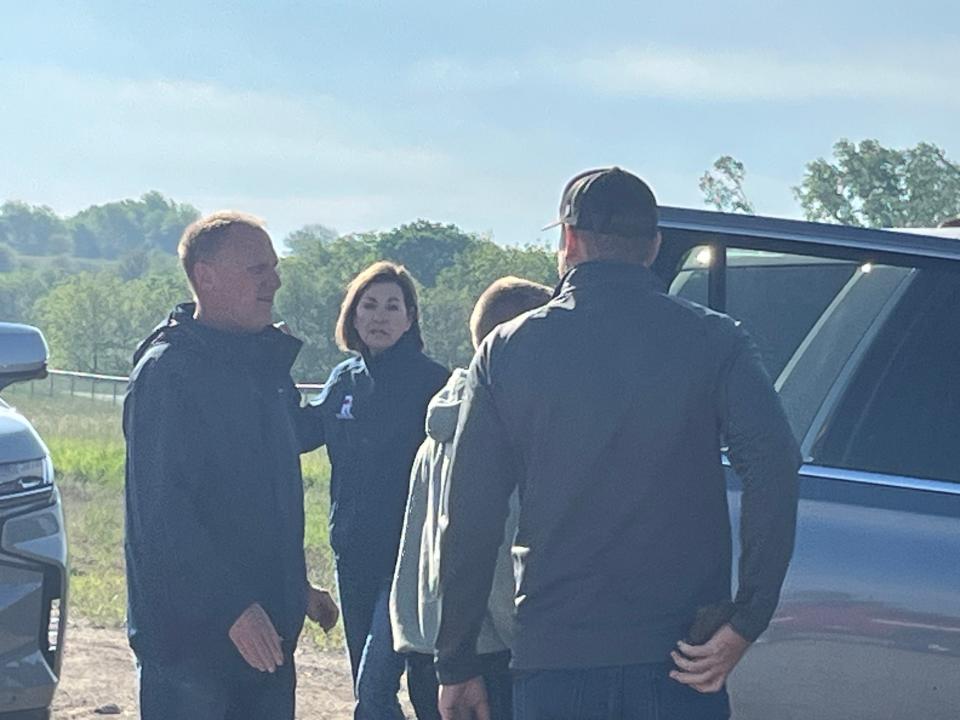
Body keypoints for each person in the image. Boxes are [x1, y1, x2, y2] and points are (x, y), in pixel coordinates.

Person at [435, 168, 801, 720]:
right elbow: (775, 465)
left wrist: (455, 659)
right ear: (653, 247)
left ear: (567, 240)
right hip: (682, 656)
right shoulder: (715, 339)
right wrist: (748, 616)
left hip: (556, 654)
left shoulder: (505, 352)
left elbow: (470, 514)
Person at [124, 211, 339, 720]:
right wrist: (231, 607)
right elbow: (162, 516)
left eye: (275, 267)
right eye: (257, 269)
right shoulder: (170, 372)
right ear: (206, 276)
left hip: (264, 632)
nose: (275, 281)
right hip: (195, 648)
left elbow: (253, 495)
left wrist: (293, 585)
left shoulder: (259, 367)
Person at [390, 276, 553, 720]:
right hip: (487, 652)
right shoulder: (503, 433)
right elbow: (498, 554)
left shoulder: (437, 427)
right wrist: (530, 642)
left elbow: (416, 548)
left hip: (428, 644)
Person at [310, 261, 449, 720]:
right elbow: (300, 432)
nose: (380, 316)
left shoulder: (435, 384)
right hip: (353, 554)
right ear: (352, 315)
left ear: (410, 318)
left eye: (393, 306)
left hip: (412, 562)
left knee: (382, 689)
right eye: (369, 305)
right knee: (366, 684)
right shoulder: (343, 380)